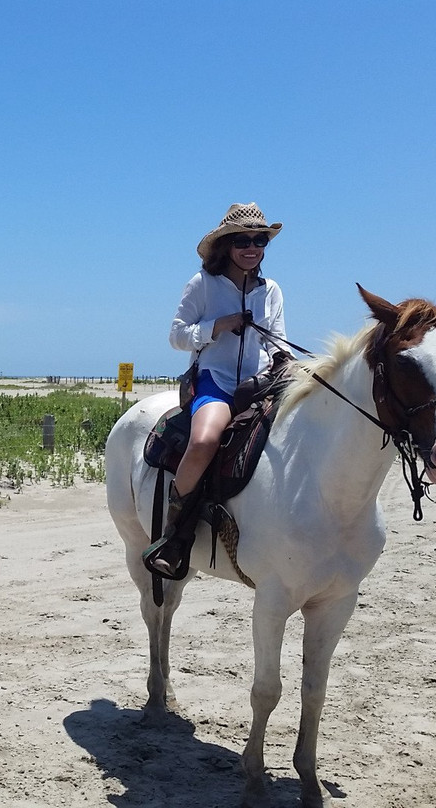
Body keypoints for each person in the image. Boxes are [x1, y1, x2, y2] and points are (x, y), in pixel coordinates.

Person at [142, 202, 288, 579]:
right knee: (205, 441)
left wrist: (284, 360)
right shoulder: (202, 284)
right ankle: (175, 534)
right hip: (216, 382)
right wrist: (216, 326)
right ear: (227, 245)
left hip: (261, 383)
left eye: (259, 240)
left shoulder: (270, 290)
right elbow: (176, 336)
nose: (251, 247)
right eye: (243, 240)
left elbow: (278, 341)